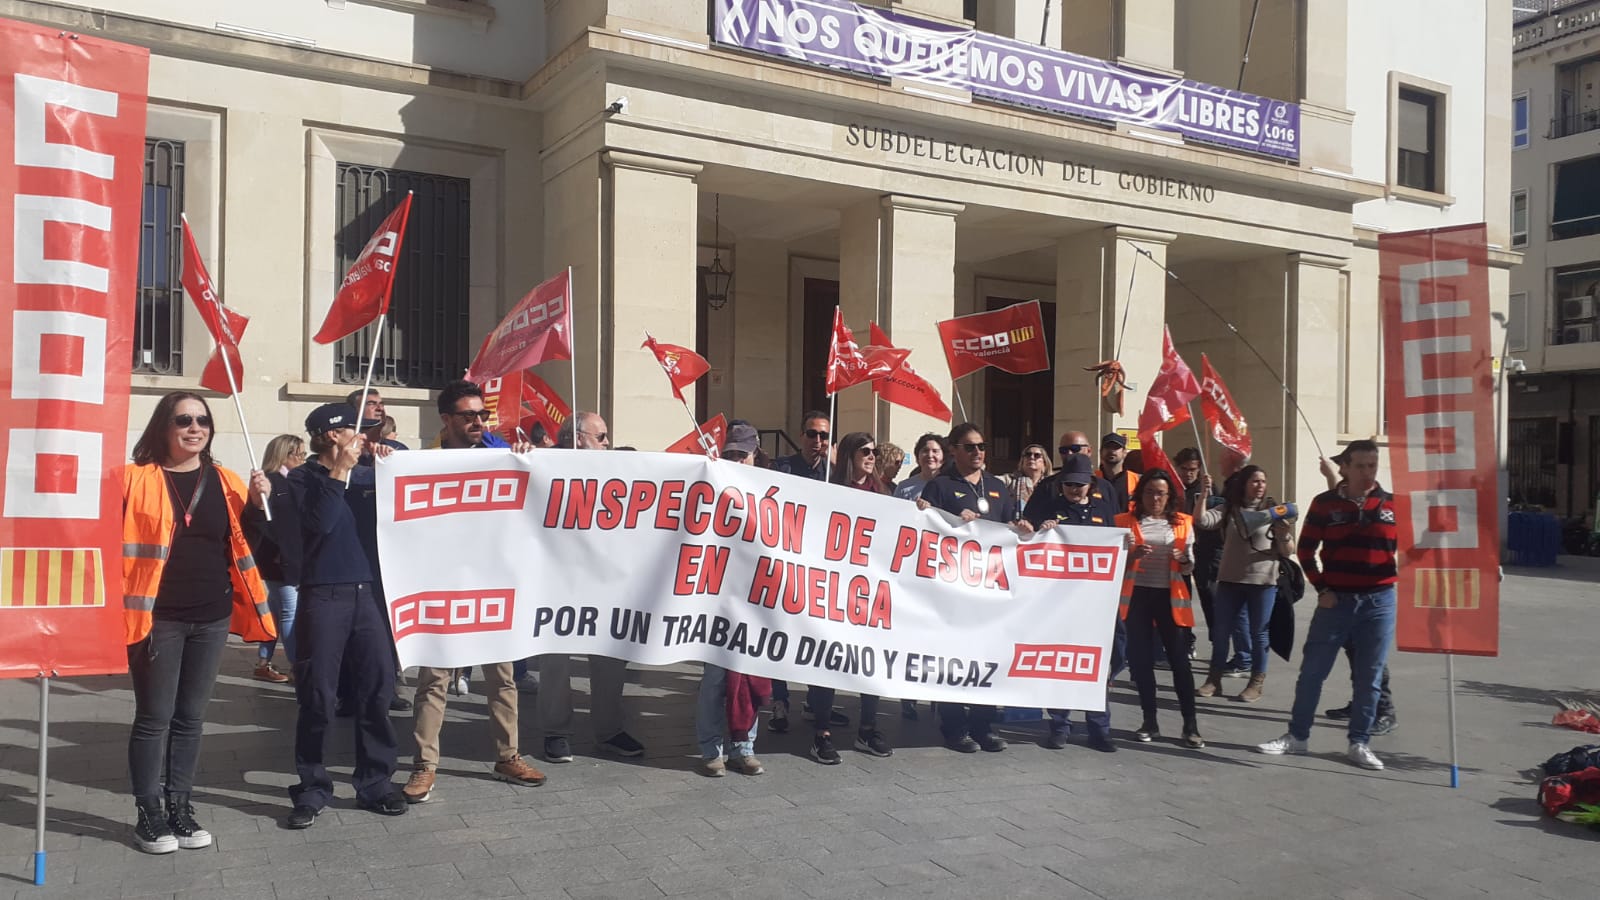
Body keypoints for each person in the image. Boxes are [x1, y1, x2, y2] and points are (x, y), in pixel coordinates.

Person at [122, 392, 276, 853]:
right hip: (157, 618)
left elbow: (247, 543)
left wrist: (256, 506)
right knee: (155, 718)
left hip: (211, 616)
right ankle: (148, 813)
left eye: (202, 420)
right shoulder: (134, 480)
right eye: (183, 420)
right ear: (163, 428)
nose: (195, 427)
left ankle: (179, 807)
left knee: (191, 718)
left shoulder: (227, 479)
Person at [402, 381, 545, 803]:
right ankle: (424, 765)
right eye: (468, 415)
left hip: (491, 584)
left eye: (482, 414)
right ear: (446, 420)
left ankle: (508, 755)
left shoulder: (500, 455)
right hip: (442, 587)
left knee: (502, 678)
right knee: (435, 680)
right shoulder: (422, 463)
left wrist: (529, 461)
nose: (478, 421)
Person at [284, 403, 407, 828]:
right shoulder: (300, 479)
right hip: (325, 593)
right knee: (318, 695)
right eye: (357, 430)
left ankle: (375, 782)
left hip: (372, 594)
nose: (367, 436)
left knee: (377, 690)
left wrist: (389, 463)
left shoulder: (374, 471)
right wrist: (341, 472)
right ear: (333, 435)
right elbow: (320, 525)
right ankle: (312, 786)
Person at [1258, 440, 1397, 771]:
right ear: (1344, 468)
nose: (1367, 472)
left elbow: (1422, 548)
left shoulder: (1393, 505)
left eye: (1372, 466)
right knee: (1312, 673)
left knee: (1369, 677)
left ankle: (1359, 742)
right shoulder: (1325, 504)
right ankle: (1297, 736)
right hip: (1336, 602)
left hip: (1379, 602)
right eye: (1361, 466)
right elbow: (1305, 550)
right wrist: (1321, 587)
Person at [918, 423, 1034, 753]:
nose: (978, 452)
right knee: (955, 658)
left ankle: (983, 725)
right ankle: (954, 727)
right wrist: (950, 520)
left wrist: (1022, 528)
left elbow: (1011, 527)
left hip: (990, 589)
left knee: (986, 657)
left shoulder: (997, 486)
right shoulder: (940, 486)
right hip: (953, 590)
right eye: (970, 447)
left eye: (981, 446)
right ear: (953, 450)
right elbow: (925, 526)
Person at [539, 412, 647, 762]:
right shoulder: (542, 466)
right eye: (600, 437)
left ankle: (610, 730)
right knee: (556, 662)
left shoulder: (617, 470)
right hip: (558, 581)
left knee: (611, 659)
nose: (607, 443)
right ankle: (556, 732)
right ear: (576, 438)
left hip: (605, 581)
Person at [801, 431, 895, 763]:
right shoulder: (831, 491)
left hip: (871, 594)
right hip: (835, 592)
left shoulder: (885, 493)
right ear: (851, 455)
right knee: (828, 662)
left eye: (874, 452)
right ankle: (821, 734)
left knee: (871, 663)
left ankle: (867, 730)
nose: (872, 456)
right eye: (865, 451)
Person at [1023, 453, 1123, 752]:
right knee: (1061, 662)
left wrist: (1123, 543)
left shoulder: (1104, 510)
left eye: (1079, 485)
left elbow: (1113, 544)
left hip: (1096, 603)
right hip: (1060, 601)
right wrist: (1041, 531)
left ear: (1090, 484)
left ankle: (1098, 728)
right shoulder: (1050, 509)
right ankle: (1059, 725)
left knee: (1097, 664)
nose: (1073, 490)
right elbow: (1027, 536)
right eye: (1068, 484)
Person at [696, 422, 770, 777]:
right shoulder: (713, 483)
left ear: (756, 455)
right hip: (717, 594)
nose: (737, 460)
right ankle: (711, 748)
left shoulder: (776, 489)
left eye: (744, 454)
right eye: (731, 454)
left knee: (749, 676)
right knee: (714, 677)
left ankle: (744, 746)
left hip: (756, 597)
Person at [1115, 470, 1204, 748]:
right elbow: (1113, 565)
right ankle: (1149, 720)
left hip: (1171, 600)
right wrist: (1131, 557)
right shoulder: (1123, 522)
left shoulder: (1183, 522)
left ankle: (1190, 725)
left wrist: (1184, 560)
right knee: (1141, 664)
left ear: (1169, 497)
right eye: (1150, 492)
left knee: (1180, 662)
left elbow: (1190, 565)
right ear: (1140, 494)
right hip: (1137, 598)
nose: (1155, 498)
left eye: (1161, 493)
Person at [1194, 466, 1294, 703]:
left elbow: (1288, 552)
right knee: (1220, 633)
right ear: (1244, 484)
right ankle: (1213, 680)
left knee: (1259, 633)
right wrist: (1204, 494)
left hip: (1262, 582)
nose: (1259, 485)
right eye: (1254, 481)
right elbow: (1202, 521)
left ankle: (1256, 682)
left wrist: (1283, 535)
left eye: (1262, 481)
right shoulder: (1230, 509)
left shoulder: (1274, 510)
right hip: (1229, 580)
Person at [1318, 447, 1398, 736]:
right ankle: (1362, 702)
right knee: (1354, 653)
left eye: (1370, 466)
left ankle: (1385, 709)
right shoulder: (1338, 496)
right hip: (1342, 594)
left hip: (1373, 595)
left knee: (1370, 656)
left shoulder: (1384, 502)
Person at [1176, 447, 1246, 675]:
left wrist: (1206, 493)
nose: (1188, 473)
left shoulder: (1209, 488)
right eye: (1184, 469)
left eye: (1193, 469)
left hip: (1207, 551)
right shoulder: (1174, 488)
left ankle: (1220, 645)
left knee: (1211, 599)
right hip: (1181, 551)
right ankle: (1185, 641)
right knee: (1180, 599)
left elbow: (1216, 518)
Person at [244, 434, 307, 684]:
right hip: (278, 559)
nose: (303, 459)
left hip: (291, 557)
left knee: (274, 612)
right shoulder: (269, 482)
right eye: (300, 454)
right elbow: (261, 522)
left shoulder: (295, 481)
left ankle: (263, 661)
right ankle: (297, 667)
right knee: (289, 612)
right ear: (286, 455)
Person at [773, 410, 830, 481]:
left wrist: (835, 465)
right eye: (812, 434)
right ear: (801, 435)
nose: (817, 440)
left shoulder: (832, 471)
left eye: (823, 435)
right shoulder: (782, 467)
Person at [348, 387, 408, 452]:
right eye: (371, 404)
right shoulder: (343, 448)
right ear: (354, 410)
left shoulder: (397, 449)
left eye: (381, 404)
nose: (380, 408)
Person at [893, 432, 946, 501]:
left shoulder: (950, 486)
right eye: (925, 451)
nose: (930, 455)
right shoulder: (904, 487)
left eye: (935, 451)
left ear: (944, 456)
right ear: (917, 457)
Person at [1003, 443, 1049, 519]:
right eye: (1028, 454)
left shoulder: (1050, 484)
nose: (1032, 457)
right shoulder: (1010, 480)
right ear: (1022, 461)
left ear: (1044, 463)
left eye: (1037, 455)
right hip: (1016, 526)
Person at [1099, 433, 1140, 511]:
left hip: (1126, 523)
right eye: (1108, 447)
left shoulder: (1136, 480)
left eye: (1116, 447)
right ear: (1101, 452)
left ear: (1124, 452)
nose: (1111, 451)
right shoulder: (1092, 479)